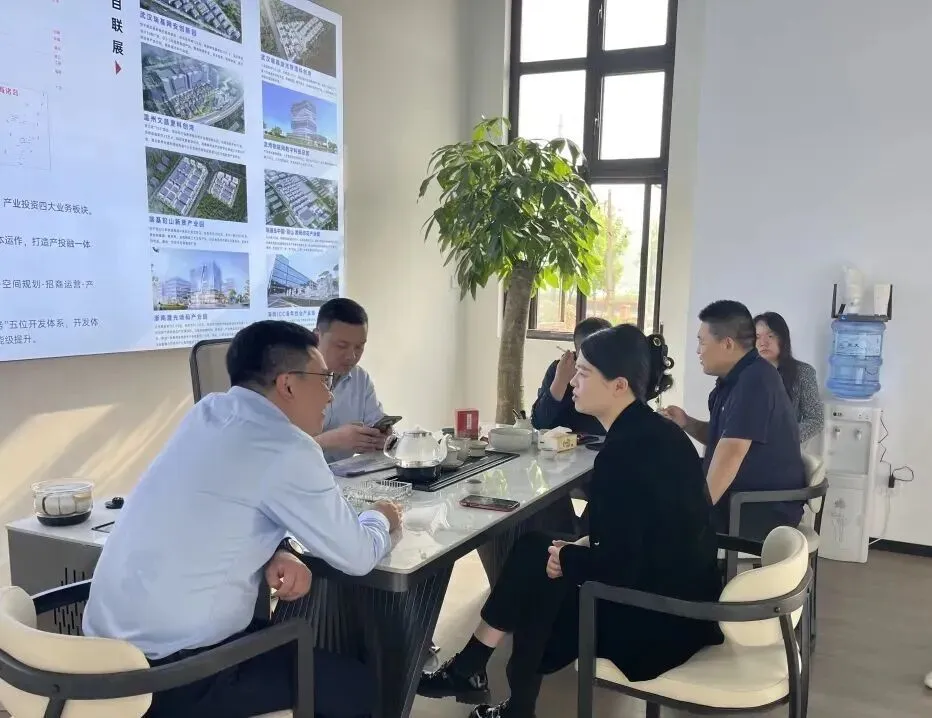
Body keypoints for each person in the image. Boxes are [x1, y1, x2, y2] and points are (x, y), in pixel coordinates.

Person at [82, 320, 402, 718]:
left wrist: (275, 550)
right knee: (356, 687)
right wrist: (380, 517)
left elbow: (217, 509)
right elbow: (357, 556)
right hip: (173, 678)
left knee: (295, 647)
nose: (330, 396)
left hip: (99, 661)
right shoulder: (287, 447)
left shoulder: (207, 413)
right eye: (324, 381)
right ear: (288, 384)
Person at [418, 325, 723, 718]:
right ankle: (477, 672)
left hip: (657, 619)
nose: (574, 382)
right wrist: (573, 551)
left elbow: (620, 565)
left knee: (543, 586)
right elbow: (642, 536)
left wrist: (569, 558)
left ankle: (494, 689)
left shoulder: (623, 453)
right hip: (684, 599)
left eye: (583, 373)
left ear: (618, 386)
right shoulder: (658, 432)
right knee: (536, 549)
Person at [662, 300, 806, 540]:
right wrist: (687, 422)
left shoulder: (756, 381)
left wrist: (694, 515)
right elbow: (722, 437)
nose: (698, 351)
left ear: (727, 344)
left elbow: (732, 453)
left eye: (702, 342)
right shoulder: (734, 379)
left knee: (660, 519)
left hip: (757, 509)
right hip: (737, 497)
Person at [313, 298, 391, 462]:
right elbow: (279, 450)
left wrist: (383, 439)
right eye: (341, 346)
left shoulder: (360, 378)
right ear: (317, 336)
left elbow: (376, 421)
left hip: (342, 474)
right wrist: (330, 440)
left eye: (359, 347)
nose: (351, 356)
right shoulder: (293, 378)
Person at [531, 316, 612, 435]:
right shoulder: (561, 369)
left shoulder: (617, 372)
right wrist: (560, 380)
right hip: (559, 443)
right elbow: (540, 423)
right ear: (578, 351)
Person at [754, 311, 824, 444]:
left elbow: (816, 420)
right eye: (757, 337)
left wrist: (785, 438)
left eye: (770, 336)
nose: (763, 343)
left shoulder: (803, 372)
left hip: (785, 448)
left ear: (783, 339)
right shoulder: (745, 373)